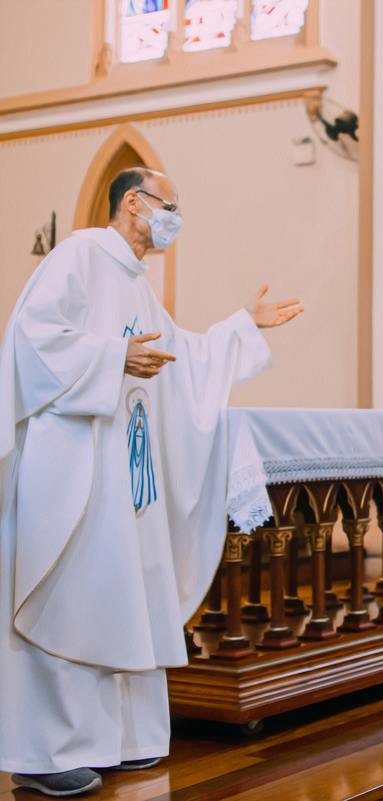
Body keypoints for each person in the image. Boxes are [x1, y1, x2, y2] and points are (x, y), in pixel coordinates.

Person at [0, 168, 302, 797]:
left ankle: (119, 739)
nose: (174, 218)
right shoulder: (80, 254)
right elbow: (31, 343)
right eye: (169, 206)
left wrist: (243, 327)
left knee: (117, 593)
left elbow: (181, 354)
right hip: (75, 467)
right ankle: (46, 752)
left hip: (121, 471)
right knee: (68, 594)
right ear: (132, 203)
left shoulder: (136, 285)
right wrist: (114, 358)